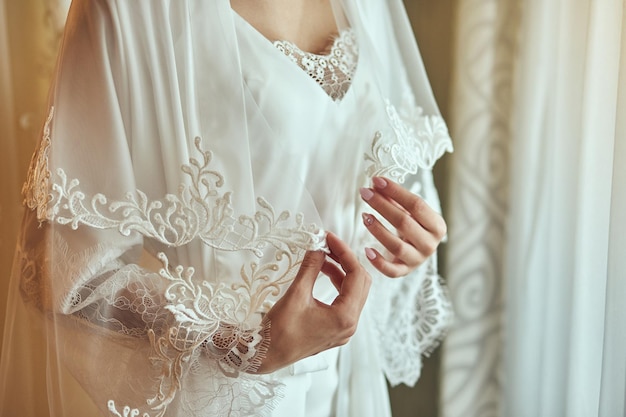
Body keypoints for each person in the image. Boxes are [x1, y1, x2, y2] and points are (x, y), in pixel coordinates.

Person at [0, 0, 453, 415]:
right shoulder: (130, 8)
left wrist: (407, 237)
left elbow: (396, 171)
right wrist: (236, 344)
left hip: (346, 383)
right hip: (227, 396)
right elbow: (63, 273)